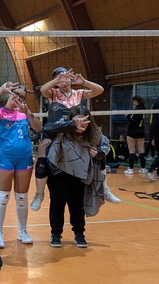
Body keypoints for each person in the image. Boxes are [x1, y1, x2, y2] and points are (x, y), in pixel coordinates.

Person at [31, 67, 105, 211]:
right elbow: (43, 90)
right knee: (43, 152)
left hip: (74, 136)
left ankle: (104, 188)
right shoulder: (53, 93)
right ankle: (39, 194)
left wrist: (84, 82)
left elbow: (99, 90)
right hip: (55, 134)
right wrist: (56, 81)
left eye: (65, 77)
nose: (63, 81)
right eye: (59, 79)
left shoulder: (78, 93)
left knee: (98, 148)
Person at [0, 82, 42, 248]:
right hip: (5, 158)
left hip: (24, 158)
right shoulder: (0, 113)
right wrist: (0, 89)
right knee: (3, 196)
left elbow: (39, 128)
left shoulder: (24, 113)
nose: (19, 98)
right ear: (10, 94)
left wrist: (28, 113)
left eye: (22, 97)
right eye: (16, 94)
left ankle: (22, 231)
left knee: (22, 197)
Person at [44, 105, 107, 248]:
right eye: (77, 121)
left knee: (77, 205)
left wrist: (98, 154)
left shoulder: (94, 134)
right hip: (58, 172)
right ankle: (56, 233)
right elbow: (47, 129)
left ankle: (79, 234)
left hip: (79, 173)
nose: (80, 124)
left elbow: (105, 147)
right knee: (57, 203)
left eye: (83, 121)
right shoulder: (62, 128)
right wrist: (71, 125)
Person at [125, 96, 147, 174]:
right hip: (141, 131)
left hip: (132, 132)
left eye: (134, 101)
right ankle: (143, 168)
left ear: (137, 101)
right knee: (141, 150)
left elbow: (132, 122)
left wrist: (127, 116)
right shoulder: (144, 109)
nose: (133, 102)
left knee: (131, 151)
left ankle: (131, 169)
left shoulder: (136, 110)